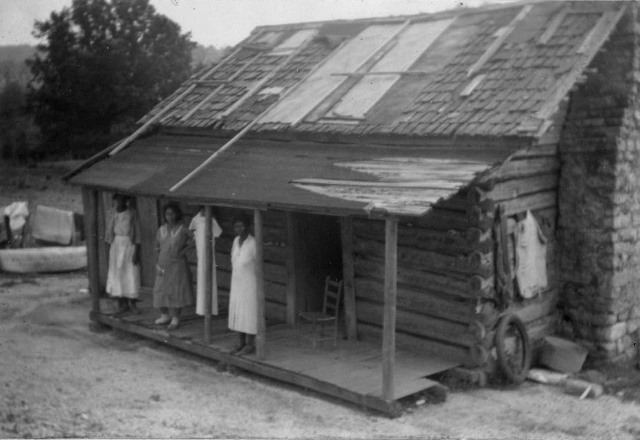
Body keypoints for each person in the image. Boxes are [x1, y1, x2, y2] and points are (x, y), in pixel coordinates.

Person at [153, 203, 194, 330]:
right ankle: (164, 315)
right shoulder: (161, 229)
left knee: (177, 290)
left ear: (177, 214)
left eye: (172, 214)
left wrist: (184, 250)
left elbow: (196, 239)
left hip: (177, 264)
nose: (170, 216)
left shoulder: (182, 229)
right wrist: (158, 262)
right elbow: (157, 246)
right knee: (160, 289)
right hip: (163, 264)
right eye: (167, 214)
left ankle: (175, 318)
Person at [105, 194, 141, 314]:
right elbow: (109, 231)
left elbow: (137, 231)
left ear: (126, 200)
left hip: (129, 243)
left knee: (131, 272)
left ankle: (132, 303)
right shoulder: (112, 213)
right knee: (118, 272)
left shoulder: (132, 213)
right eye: (117, 200)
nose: (119, 202)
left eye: (122, 199)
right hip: (116, 244)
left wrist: (136, 250)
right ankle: (122, 303)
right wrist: (109, 246)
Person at [228, 214, 258, 355]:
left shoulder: (253, 243)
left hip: (249, 283)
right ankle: (240, 342)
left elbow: (258, 264)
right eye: (236, 227)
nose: (239, 229)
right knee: (238, 312)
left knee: (249, 313)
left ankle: (250, 344)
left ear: (248, 226)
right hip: (236, 283)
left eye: (241, 226)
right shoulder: (235, 241)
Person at [188, 206, 223, 316]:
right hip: (200, 254)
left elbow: (218, 233)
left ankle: (210, 308)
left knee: (210, 278)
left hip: (209, 254)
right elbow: (192, 230)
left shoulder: (212, 220)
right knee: (201, 280)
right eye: (202, 209)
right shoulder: (196, 219)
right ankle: (201, 308)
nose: (204, 212)